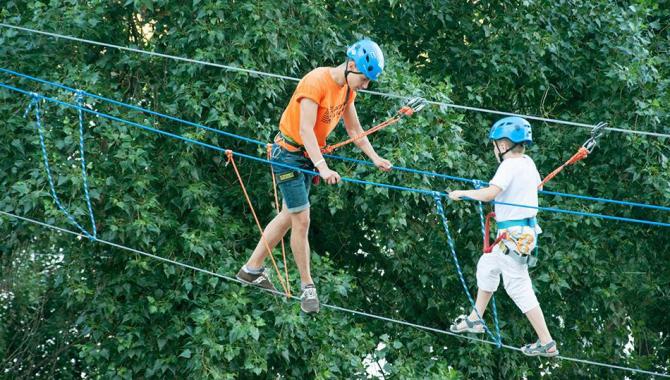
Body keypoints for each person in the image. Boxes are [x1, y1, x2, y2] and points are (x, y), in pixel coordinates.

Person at [236, 39, 392, 314]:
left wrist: (375, 158)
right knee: (302, 219)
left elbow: (355, 131)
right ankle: (307, 287)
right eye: (364, 79)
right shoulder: (315, 82)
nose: (365, 85)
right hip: (288, 155)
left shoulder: (346, 91)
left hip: (308, 157)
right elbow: (305, 130)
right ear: (351, 65)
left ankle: (251, 268)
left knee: (289, 215)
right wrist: (323, 167)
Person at [447, 117, 558, 357]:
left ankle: (546, 341)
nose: (494, 148)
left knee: (517, 285)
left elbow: (489, 194)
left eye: (496, 143)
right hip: (519, 234)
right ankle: (476, 318)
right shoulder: (528, 162)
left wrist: (462, 193)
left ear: (504, 144)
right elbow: (538, 187)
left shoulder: (508, 166)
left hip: (515, 235)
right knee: (487, 266)